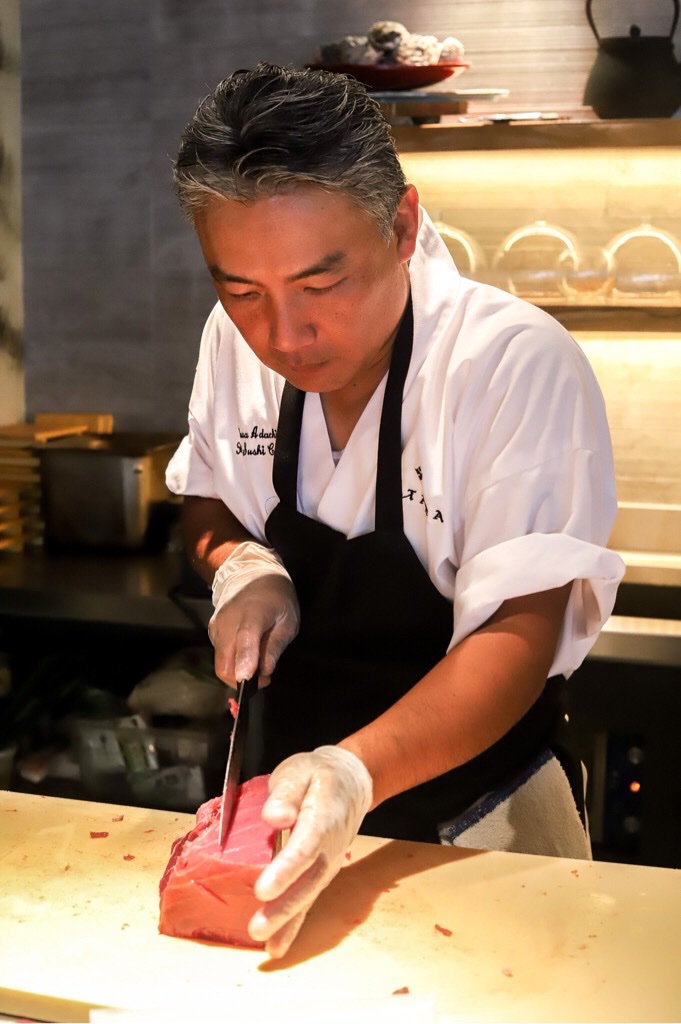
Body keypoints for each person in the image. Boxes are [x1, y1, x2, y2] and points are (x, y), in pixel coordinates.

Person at [166, 63, 625, 958]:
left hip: (481, 820)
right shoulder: (236, 338)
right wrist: (241, 568)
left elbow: (519, 634)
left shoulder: (509, 363)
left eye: (320, 285)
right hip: (283, 809)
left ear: (402, 225)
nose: (282, 336)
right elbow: (211, 487)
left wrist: (352, 771)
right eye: (241, 291)